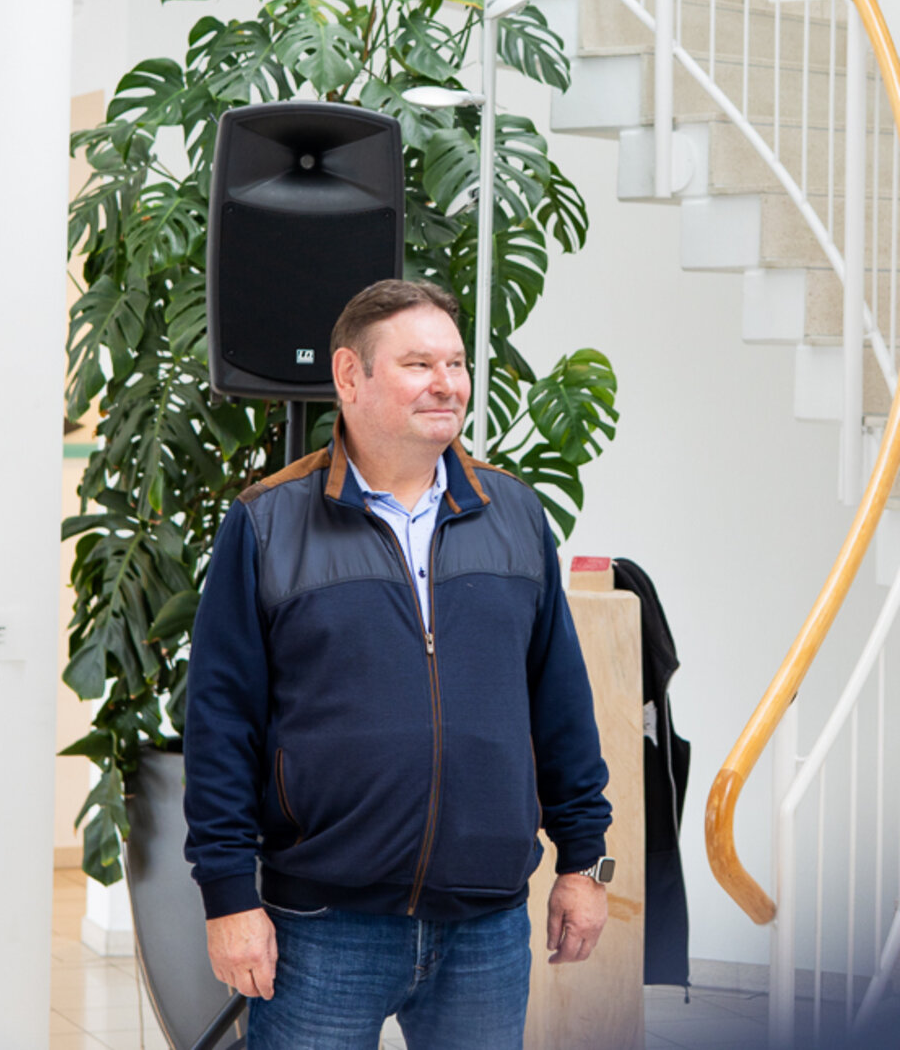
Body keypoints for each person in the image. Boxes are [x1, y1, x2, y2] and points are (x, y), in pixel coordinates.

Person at [183, 279, 614, 1050]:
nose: (447, 382)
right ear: (350, 376)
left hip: (484, 927)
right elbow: (221, 724)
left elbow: (561, 705)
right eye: (419, 363)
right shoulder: (268, 520)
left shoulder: (515, 516)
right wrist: (227, 898)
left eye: (454, 362)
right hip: (320, 926)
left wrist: (585, 862)